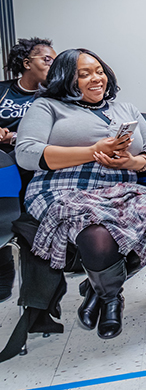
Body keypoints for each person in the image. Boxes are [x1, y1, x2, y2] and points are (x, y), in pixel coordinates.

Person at [14, 49, 146, 340]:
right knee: (97, 232)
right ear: (66, 78)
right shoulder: (47, 107)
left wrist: (132, 162)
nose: (96, 78)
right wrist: (94, 152)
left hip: (120, 187)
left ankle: (97, 290)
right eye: (84, 74)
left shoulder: (126, 109)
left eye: (99, 71)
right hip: (64, 187)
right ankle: (111, 300)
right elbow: (26, 153)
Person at [0, 37, 56, 303]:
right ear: (26, 63)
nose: (53, 65)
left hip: (31, 165)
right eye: (47, 59)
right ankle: (3, 264)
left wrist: (16, 138)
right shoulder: (2, 90)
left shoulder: (55, 96)